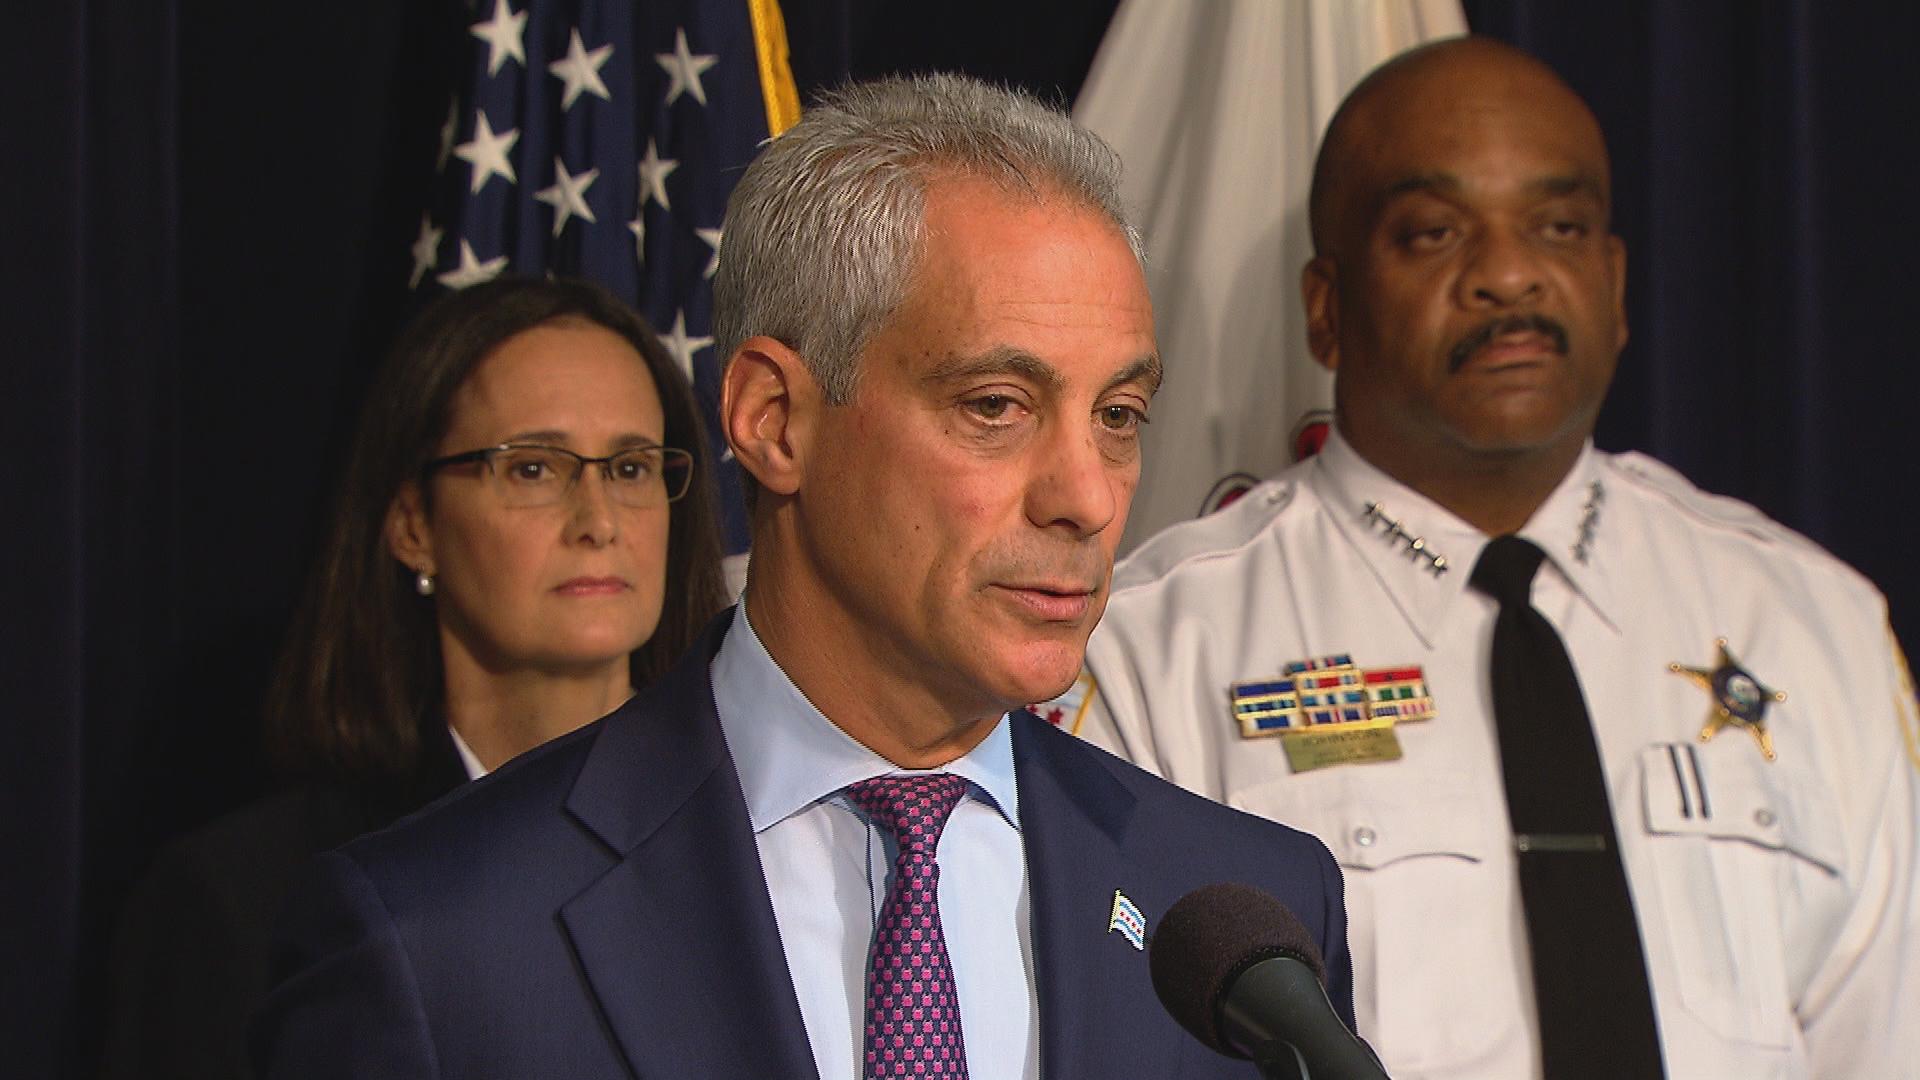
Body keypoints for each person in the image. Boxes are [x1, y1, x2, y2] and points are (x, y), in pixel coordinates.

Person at [250, 74, 1354, 1079]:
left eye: (1117, 417)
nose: (1089, 495)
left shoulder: (1248, 923)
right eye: (995, 407)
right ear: (775, 421)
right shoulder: (438, 939)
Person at [1070, 35, 1920, 1080]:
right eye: (1432, 233)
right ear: (1325, 308)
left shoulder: (1814, 622)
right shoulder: (1155, 649)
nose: (1510, 273)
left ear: (1614, 282)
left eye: (1558, 226)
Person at [100, 276, 729, 1080]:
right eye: (533, 469)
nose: (599, 521)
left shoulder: (760, 833)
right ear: (412, 526)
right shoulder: (241, 901)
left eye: (632, 468)